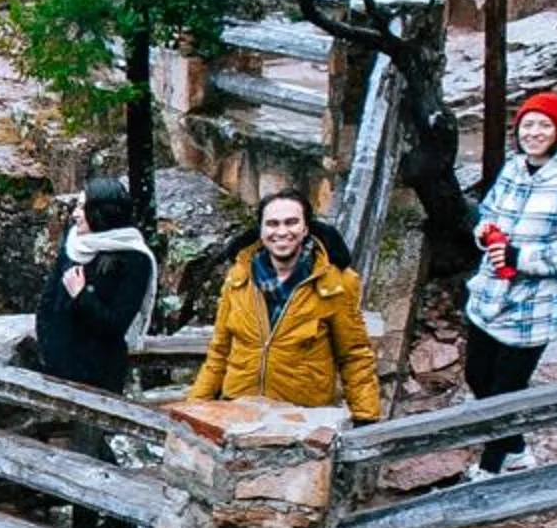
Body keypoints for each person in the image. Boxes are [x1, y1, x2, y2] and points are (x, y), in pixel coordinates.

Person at [463, 90, 557, 472]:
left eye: (544, 125)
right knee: (476, 376)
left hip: (533, 305)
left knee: (505, 393)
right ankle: (517, 449)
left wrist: (524, 259)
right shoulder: (514, 167)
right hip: (489, 293)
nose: (534, 132)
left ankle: (491, 468)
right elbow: (489, 210)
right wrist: (486, 233)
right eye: (528, 124)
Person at [186, 188, 382, 421]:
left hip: (303, 418)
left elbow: (354, 355)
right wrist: (194, 408)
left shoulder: (336, 282)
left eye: (291, 222)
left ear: (305, 228)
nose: (282, 231)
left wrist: (365, 417)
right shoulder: (239, 278)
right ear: (261, 230)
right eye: (272, 224)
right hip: (238, 411)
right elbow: (219, 351)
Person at [35, 176, 159, 393]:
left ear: (100, 212)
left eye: (82, 208)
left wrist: (82, 295)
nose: (75, 214)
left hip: (98, 374)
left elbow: (115, 325)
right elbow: (48, 300)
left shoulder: (134, 259)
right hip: (56, 366)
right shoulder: (74, 243)